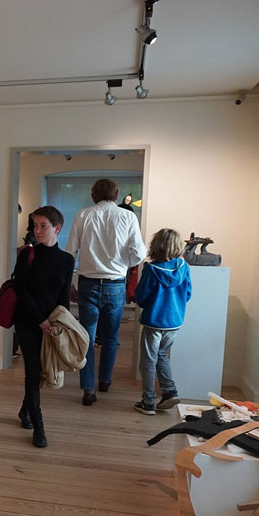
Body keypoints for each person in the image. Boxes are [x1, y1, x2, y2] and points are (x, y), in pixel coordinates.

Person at [65, 178, 146, 406]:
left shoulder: (83, 215)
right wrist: (124, 264)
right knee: (111, 337)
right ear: (117, 195)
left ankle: (88, 388)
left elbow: (70, 251)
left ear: (93, 196)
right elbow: (139, 254)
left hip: (87, 284)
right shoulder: (128, 216)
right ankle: (105, 381)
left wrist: (69, 282)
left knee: (87, 338)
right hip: (115, 284)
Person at [13, 206, 75, 448]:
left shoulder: (66, 260)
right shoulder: (26, 255)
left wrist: (62, 323)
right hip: (27, 320)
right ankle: (38, 426)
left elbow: (63, 297)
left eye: (43, 226)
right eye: (35, 226)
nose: (37, 231)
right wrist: (40, 320)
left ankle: (25, 409)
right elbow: (21, 290)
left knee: (40, 370)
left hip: (51, 324)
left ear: (57, 228)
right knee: (32, 370)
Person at [133, 228, 192, 415]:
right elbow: (188, 294)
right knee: (162, 355)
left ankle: (148, 401)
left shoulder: (151, 269)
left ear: (156, 245)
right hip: (174, 322)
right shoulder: (183, 266)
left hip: (154, 321)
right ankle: (169, 392)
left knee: (148, 361)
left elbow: (141, 297)